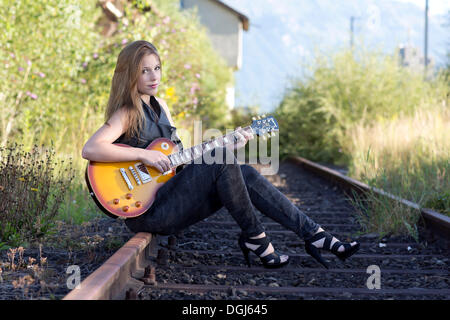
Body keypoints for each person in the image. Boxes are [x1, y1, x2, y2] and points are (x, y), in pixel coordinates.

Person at [82, 40, 360, 269]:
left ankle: (315, 235)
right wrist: (143, 156)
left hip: (171, 198)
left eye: (157, 68)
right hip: (148, 210)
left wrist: (229, 147)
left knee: (242, 170)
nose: (154, 76)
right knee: (223, 162)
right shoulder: (127, 112)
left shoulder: (161, 106)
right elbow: (90, 148)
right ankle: (257, 238)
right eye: (145, 71)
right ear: (131, 74)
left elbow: (180, 165)